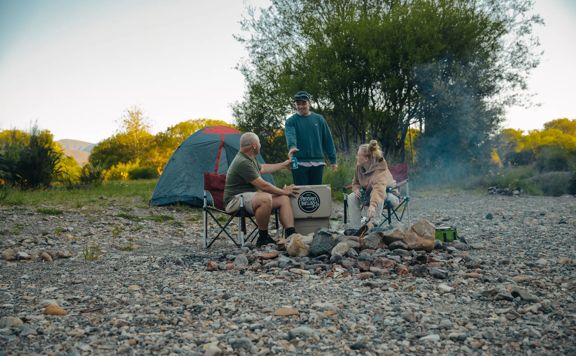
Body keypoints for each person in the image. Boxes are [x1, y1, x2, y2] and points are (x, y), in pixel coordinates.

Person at [224, 132, 299, 247]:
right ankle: (263, 238)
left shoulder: (249, 158)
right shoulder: (243, 162)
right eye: (259, 142)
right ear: (254, 145)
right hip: (234, 200)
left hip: (248, 198)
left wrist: (283, 165)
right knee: (265, 198)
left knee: (283, 199)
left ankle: (291, 235)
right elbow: (263, 186)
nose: (260, 145)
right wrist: (284, 190)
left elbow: (263, 168)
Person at [285, 90, 338, 185]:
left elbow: (328, 140)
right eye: (298, 104)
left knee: (315, 193)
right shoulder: (290, 121)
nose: (300, 106)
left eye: (303, 103)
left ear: (309, 103)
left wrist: (333, 160)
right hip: (298, 162)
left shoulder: (319, 119)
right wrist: (292, 147)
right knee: (301, 194)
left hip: (317, 162)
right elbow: (290, 135)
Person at [346, 140, 399, 229]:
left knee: (376, 194)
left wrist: (373, 205)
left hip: (389, 195)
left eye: (358, 155)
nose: (356, 157)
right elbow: (355, 182)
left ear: (366, 159)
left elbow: (378, 190)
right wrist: (356, 189)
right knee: (351, 197)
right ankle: (355, 228)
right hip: (369, 195)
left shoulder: (380, 168)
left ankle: (373, 225)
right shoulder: (359, 166)